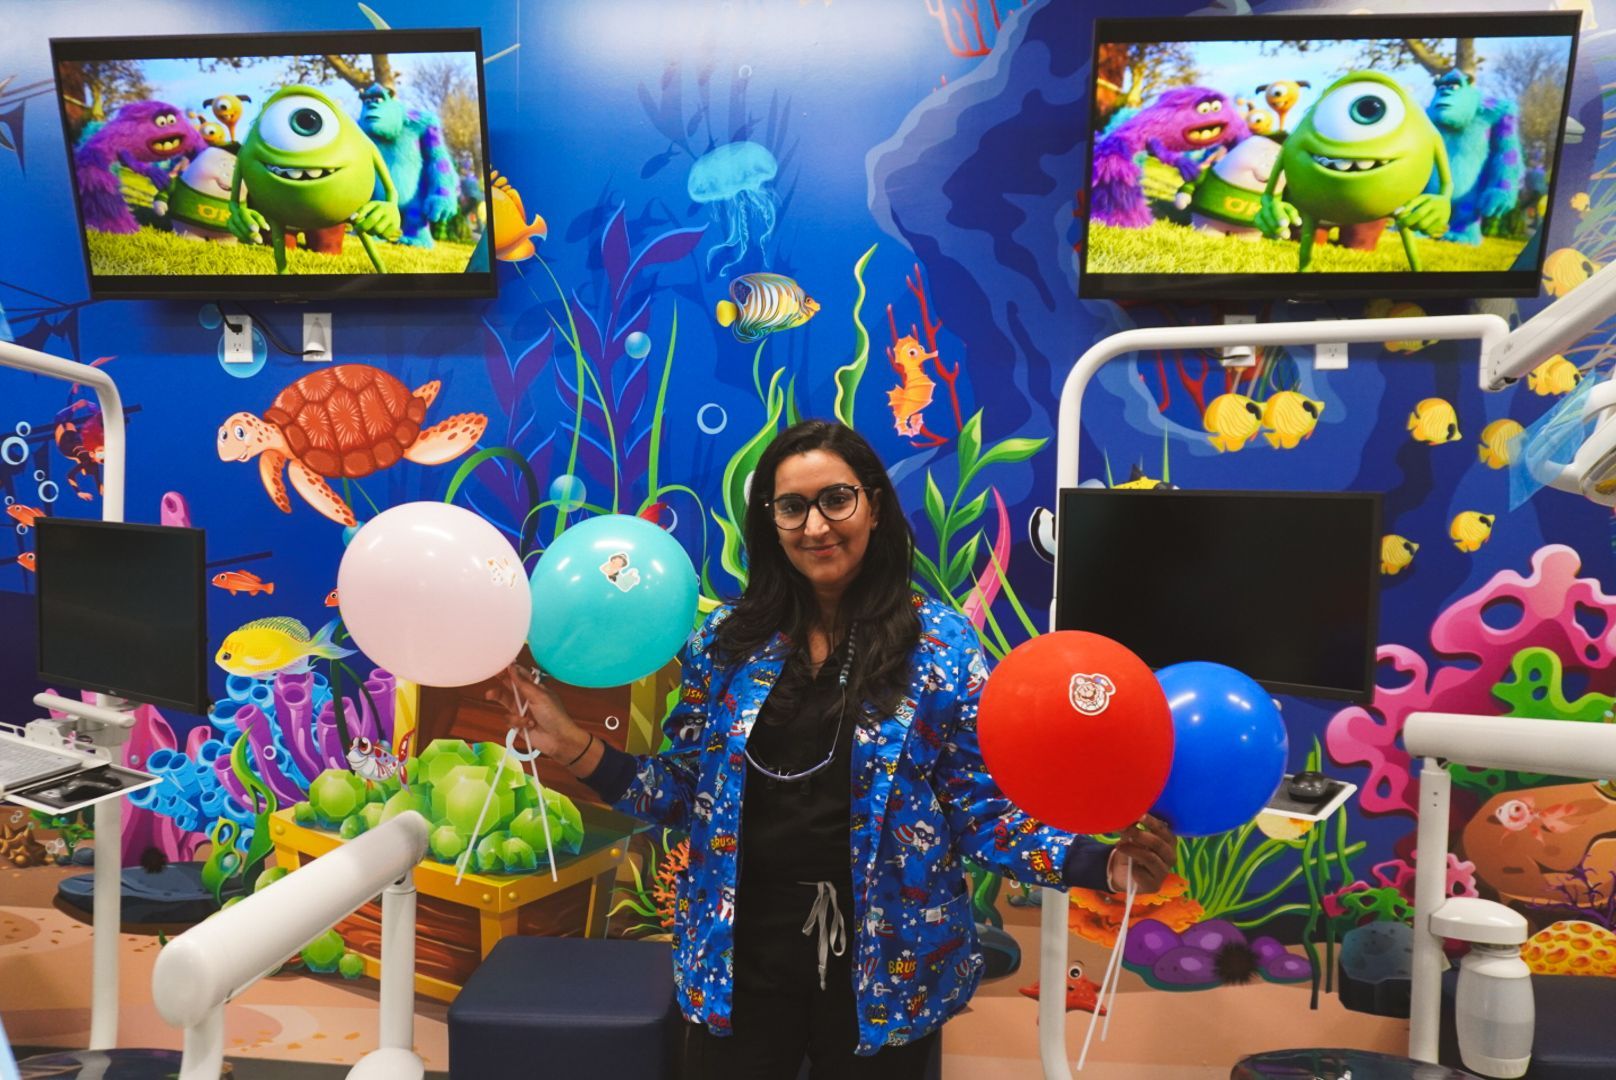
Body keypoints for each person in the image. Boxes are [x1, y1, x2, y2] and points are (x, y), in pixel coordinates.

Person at [487, 419, 1177, 1078]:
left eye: (836, 500)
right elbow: (683, 793)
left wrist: (1103, 863)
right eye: (792, 507)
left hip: (887, 958)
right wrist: (571, 743)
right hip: (739, 955)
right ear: (771, 522)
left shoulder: (939, 645)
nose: (816, 526)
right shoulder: (728, 641)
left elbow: (978, 807)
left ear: (872, 507)